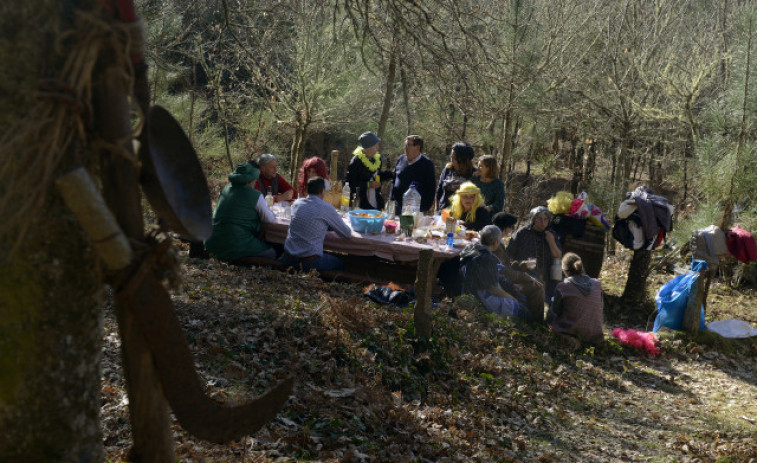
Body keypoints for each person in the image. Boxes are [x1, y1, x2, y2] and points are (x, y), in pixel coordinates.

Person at [204, 162, 277, 263]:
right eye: (254, 180)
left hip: (212, 241)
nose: (255, 182)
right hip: (236, 243)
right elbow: (269, 219)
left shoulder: (226, 189)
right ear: (249, 181)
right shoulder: (255, 195)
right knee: (272, 253)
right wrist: (274, 213)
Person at [280, 177, 352, 272]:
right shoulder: (326, 207)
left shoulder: (296, 203)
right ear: (322, 191)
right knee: (341, 264)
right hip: (309, 262)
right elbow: (346, 233)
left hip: (287, 258)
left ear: (307, 190)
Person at [459, 225, 530, 320]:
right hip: (480, 297)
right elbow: (493, 289)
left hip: (468, 291)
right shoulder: (486, 259)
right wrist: (513, 299)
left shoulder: (473, 249)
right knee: (524, 311)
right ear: (496, 242)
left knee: (517, 294)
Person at [491, 212, 547, 323]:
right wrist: (527, 277)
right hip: (502, 285)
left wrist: (523, 265)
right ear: (505, 228)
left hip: (506, 279)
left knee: (537, 283)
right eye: (511, 227)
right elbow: (505, 271)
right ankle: (535, 323)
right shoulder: (495, 245)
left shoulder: (499, 241)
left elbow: (507, 265)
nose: (512, 229)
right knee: (538, 288)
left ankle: (532, 319)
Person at [506, 206, 562, 303]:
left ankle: (551, 301)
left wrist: (551, 241)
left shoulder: (551, 234)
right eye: (539, 218)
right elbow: (509, 254)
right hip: (527, 271)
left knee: (557, 265)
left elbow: (558, 255)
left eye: (546, 219)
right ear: (533, 219)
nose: (543, 222)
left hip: (548, 272)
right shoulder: (522, 233)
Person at [546, 252, 604, 344]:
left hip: (572, 331)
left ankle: (568, 338)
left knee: (551, 307)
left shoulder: (563, 286)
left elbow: (555, 310)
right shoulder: (597, 284)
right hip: (595, 335)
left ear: (564, 270)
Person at [390, 135, 436, 215]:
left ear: (417, 147)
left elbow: (431, 189)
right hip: (397, 207)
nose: (405, 147)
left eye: (408, 145)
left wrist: (425, 209)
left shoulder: (427, 164)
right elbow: (394, 181)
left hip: (415, 210)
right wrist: (391, 200)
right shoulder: (401, 159)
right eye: (405, 145)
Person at [346, 131, 390, 210]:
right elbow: (351, 184)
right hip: (361, 203)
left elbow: (377, 175)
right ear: (369, 147)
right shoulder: (356, 162)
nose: (378, 147)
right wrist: (368, 184)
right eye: (376, 145)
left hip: (375, 201)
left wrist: (390, 175)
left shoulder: (377, 159)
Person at [435, 141, 476, 211]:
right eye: (451, 156)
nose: (451, 159)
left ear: (462, 159)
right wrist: (436, 209)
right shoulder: (448, 169)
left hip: (463, 214)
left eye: (453, 157)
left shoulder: (474, 174)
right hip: (443, 211)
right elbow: (439, 190)